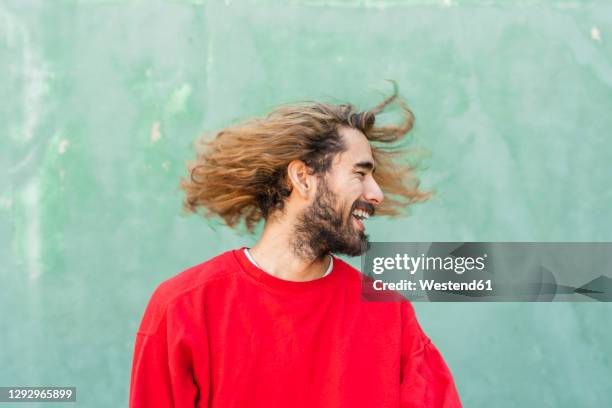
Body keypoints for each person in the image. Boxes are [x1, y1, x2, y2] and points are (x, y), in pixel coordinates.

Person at [129, 84, 462, 407]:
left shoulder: (391, 315)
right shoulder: (183, 309)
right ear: (302, 178)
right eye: (360, 173)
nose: (377, 194)